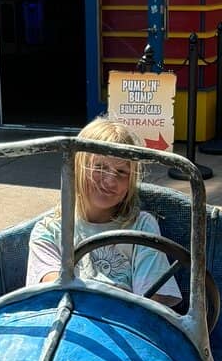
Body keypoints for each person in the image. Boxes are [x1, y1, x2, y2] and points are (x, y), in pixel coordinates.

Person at [25, 117, 180, 308]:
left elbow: (152, 300)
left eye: (121, 172)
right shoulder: (50, 231)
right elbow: (53, 294)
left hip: (127, 325)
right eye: (99, 167)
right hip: (70, 327)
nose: (110, 181)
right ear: (77, 169)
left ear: (131, 182)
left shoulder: (141, 227)